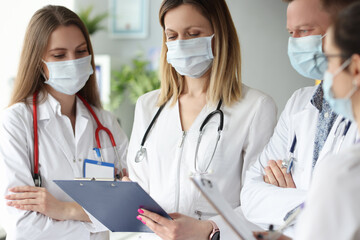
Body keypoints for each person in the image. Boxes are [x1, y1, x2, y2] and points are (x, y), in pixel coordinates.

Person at [126, 0, 277, 239]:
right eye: (172, 36)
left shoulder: (255, 107)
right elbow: (138, 190)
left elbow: (260, 201)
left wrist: (209, 228)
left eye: (193, 34)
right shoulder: (148, 106)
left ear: (220, 34)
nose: (181, 44)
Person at [0, 5, 128, 240]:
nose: (73, 61)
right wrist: (98, 219)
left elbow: (130, 209)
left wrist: (63, 210)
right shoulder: (15, 123)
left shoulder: (106, 124)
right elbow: (23, 227)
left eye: (81, 52)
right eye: (59, 55)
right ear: (39, 63)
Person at [241, 0, 359, 237]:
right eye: (290, 33)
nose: (295, 42)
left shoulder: (342, 169)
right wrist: (318, 201)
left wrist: (294, 201)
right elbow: (251, 195)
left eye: (304, 31)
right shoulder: (299, 103)